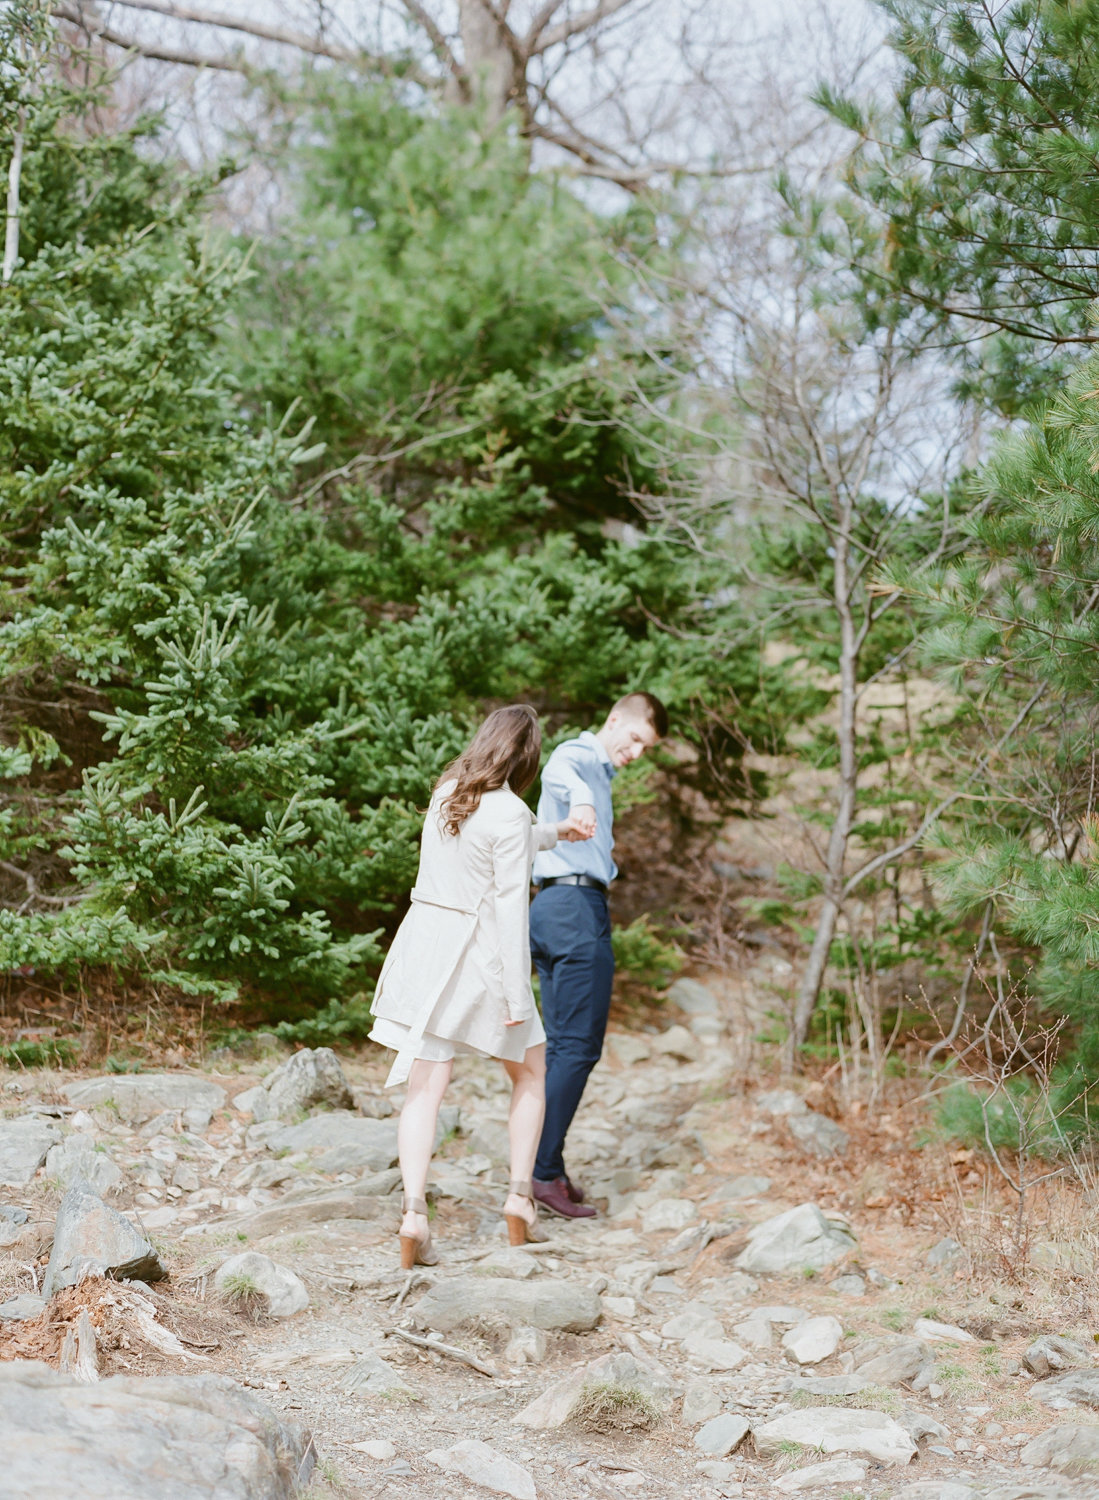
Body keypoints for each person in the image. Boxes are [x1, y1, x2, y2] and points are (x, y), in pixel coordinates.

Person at [369, 704, 593, 1268]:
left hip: (427, 954)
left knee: (426, 1086)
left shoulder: (449, 791)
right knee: (533, 1072)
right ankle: (520, 1201)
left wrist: (554, 833)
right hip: (479, 963)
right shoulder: (511, 813)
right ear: (528, 757)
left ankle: (414, 1215)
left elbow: (488, 841)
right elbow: (510, 907)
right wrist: (518, 997)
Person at [529, 692, 668, 1219]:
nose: (636, 752)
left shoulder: (601, 773)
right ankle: (541, 1175)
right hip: (573, 909)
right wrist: (583, 801)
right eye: (634, 738)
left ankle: (545, 1164)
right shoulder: (582, 758)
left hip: (550, 907)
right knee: (578, 1048)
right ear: (613, 720)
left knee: (563, 1047)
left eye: (646, 748)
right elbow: (563, 765)